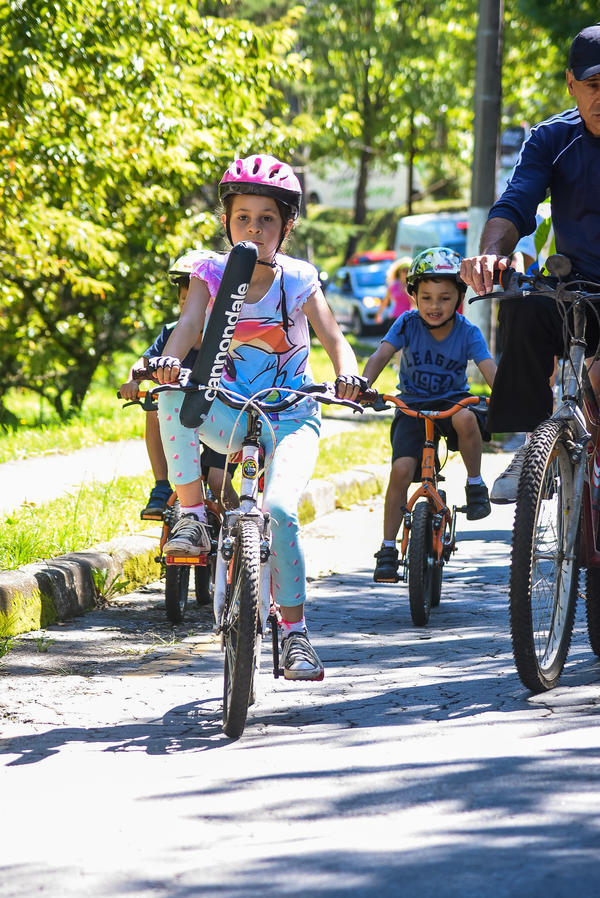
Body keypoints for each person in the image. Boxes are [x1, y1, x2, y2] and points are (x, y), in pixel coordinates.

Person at [151, 153, 363, 681]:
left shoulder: (298, 279)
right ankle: (194, 517)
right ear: (227, 222)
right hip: (227, 412)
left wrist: (349, 374)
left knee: (282, 512)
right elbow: (188, 328)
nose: (254, 228)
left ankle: (294, 634)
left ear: (286, 226)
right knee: (173, 396)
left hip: (290, 416)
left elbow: (335, 339)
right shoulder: (210, 273)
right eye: (243, 217)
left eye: (267, 218)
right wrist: (171, 364)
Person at [460, 23, 600, 504]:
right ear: (571, 83)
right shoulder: (552, 139)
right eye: (593, 85)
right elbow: (515, 204)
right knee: (521, 304)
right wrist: (491, 254)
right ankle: (533, 441)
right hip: (577, 288)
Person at [362, 247, 496, 583]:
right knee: (401, 470)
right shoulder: (406, 324)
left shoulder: (468, 332)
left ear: (459, 299)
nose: (434, 306)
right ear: (413, 297)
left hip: (453, 402)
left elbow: (489, 368)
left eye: (444, 298)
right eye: (426, 297)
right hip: (413, 406)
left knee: (466, 418)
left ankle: (476, 485)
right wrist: (363, 385)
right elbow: (381, 355)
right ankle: (388, 547)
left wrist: (507, 397)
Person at [119, 250, 237, 517]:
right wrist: (132, 381)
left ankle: (242, 533)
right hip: (181, 416)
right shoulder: (172, 333)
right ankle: (161, 487)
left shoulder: (227, 338)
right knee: (156, 403)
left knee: (219, 485)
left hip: (218, 416)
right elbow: (144, 363)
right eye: (185, 301)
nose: (189, 307)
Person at [376, 256, 413, 324]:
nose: (406, 273)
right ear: (399, 272)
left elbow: (415, 304)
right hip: (394, 318)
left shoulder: (412, 286)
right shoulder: (393, 286)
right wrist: (379, 314)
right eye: (404, 270)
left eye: (408, 270)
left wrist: (408, 294)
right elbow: (385, 301)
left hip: (408, 318)